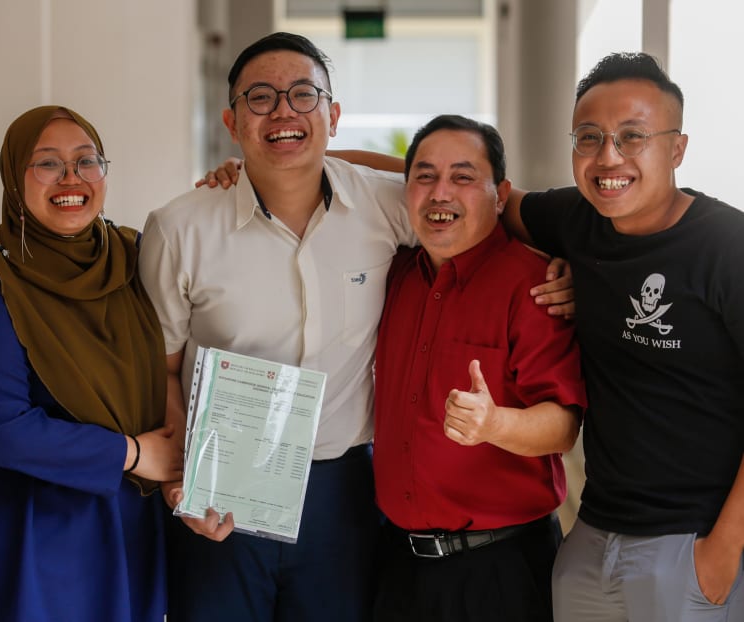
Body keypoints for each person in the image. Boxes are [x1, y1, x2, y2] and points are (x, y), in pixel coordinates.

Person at [142, 32, 574, 622]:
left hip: (343, 493)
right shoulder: (178, 228)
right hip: (224, 489)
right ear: (231, 120)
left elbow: (453, 198)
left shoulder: (385, 208)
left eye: (303, 95)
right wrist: (179, 478)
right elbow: (164, 367)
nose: (284, 112)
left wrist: (561, 256)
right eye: (260, 99)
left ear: (333, 115)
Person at [499, 52, 744, 621]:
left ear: (677, 148)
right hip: (590, 537)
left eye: (633, 136)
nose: (608, 157)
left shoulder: (728, 247)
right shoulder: (577, 221)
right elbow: (457, 189)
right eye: (589, 137)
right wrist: (268, 167)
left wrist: (723, 553)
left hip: (692, 546)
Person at [0, 106, 183, 622]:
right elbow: (0, 428)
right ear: (15, 178)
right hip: (29, 528)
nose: (71, 180)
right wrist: (129, 455)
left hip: (125, 516)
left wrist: (235, 182)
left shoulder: (134, 256)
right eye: (47, 164)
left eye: (87, 162)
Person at [370, 114, 586, 622]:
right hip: (398, 565)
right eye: (424, 176)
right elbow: (340, 171)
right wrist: (250, 170)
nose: (440, 193)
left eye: (463, 177)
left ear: (499, 194)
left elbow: (564, 427)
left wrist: (495, 423)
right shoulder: (396, 273)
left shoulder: (534, 286)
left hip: (499, 571)